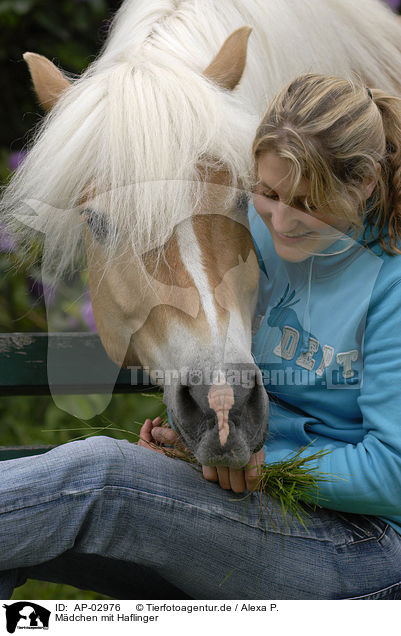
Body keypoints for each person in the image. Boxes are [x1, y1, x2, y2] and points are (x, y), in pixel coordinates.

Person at [1, 74, 401, 600]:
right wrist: (191, 440)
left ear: (365, 183)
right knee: (27, 540)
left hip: (362, 548)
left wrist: (262, 463)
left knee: (100, 478)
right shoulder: (258, 232)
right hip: (248, 512)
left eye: (307, 203)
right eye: (266, 192)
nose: (279, 221)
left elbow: (393, 471)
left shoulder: (389, 283)